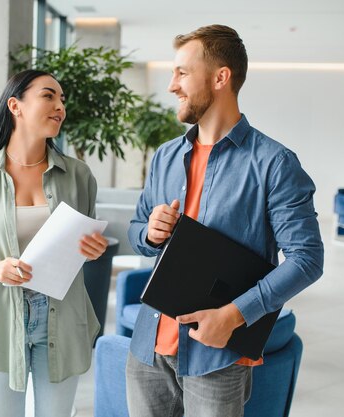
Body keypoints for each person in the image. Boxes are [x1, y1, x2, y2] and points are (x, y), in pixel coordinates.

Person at [126, 24, 324, 417]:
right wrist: (149, 232)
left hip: (215, 357)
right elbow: (136, 232)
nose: (172, 86)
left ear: (221, 77)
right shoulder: (166, 156)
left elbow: (307, 260)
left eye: (182, 72)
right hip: (147, 349)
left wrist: (233, 316)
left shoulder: (275, 164)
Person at [0, 69, 108, 417]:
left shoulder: (79, 176)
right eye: (49, 96)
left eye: (62, 99)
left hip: (63, 318)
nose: (60, 106)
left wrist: (94, 250)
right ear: (15, 105)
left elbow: (83, 244)